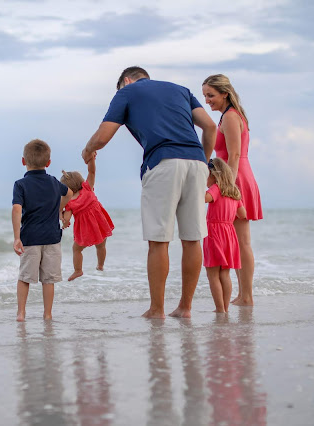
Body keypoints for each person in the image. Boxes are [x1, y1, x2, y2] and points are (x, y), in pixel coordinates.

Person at [82, 66, 217, 319]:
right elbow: (210, 127)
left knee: (159, 241)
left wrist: (87, 151)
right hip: (196, 163)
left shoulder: (127, 91)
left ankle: (157, 310)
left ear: (126, 80)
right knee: (193, 239)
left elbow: (103, 136)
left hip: (164, 162)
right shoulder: (181, 91)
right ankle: (185, 309)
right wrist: (201, 161)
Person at [202, 74, 262, 306]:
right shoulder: (225, 117)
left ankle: (246, 295)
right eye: (205, 95)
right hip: (231, 176)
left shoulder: (230, 117)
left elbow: (234, 155)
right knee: (237, 240)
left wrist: (227, 186)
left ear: (224, 93)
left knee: (242, 240)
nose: (207, 100)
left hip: (235, 178)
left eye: (211, 95)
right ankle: (243, 295)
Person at [12, 139, 73, 321]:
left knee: (25, 277)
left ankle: (21, 313)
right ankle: (47, 314)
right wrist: (60, 212)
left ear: (24, 161)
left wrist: (17, 238)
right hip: (52, 238)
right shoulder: (54, 182)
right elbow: (69, 193)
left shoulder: (20, 185)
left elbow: (16, 209)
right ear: (48, 163)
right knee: (49, 280)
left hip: (30, 238)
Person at [60, 154, 115, 281]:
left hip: (84, 228)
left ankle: (78, 270)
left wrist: (63, 219)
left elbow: (67, 218)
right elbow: (92, 171)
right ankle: (100, 265)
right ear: (80, 180)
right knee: (101, 245)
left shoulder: (68, 201)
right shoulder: (87, 187)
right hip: (99, 222)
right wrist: (91, 159)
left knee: (76, 249)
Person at [204, 158, 247, 313]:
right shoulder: (234, 191)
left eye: (205, 175)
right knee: (225, 273)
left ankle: (219, 308)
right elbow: (243, 214)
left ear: (214, 175)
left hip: (214, 232)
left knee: (212, 274)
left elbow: (204, 199)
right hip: (229, 234)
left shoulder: (216, 188)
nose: (204, 180)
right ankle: (226, 308)